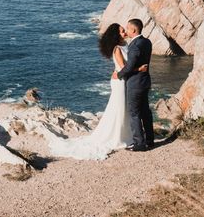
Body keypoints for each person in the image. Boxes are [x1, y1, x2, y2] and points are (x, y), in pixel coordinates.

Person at [45, 23, 147, 160]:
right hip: (120, 82)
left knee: (125, 108)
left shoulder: (126, 44)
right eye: (122, 31)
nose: (124, 32)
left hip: (124, 80)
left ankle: (128, 135)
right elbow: (124, 68)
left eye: (124, 30)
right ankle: (118, 136)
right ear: (116, 35)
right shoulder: (117, 48)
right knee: (119, 108)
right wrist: (139, 69)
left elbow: (126, 65)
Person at [113, 18, 154, 151]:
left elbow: (129, 67)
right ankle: (150, 140)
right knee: (145, 112)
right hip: (145, 81)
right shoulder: (147, 42)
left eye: (128, 28)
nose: (126, 31)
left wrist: (118, 75)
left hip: (135, 83)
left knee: (134, 113)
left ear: (134, 30)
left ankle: (139, 143)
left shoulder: (135, 45)